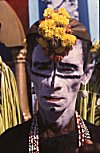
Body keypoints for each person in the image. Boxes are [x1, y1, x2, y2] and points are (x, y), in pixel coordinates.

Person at [0, 8, 100, 153]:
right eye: (42, 68)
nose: (54, 83)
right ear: (29, 71)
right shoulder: (8, 144)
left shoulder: (96, 140)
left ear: (86, 74)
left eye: (67, 69)